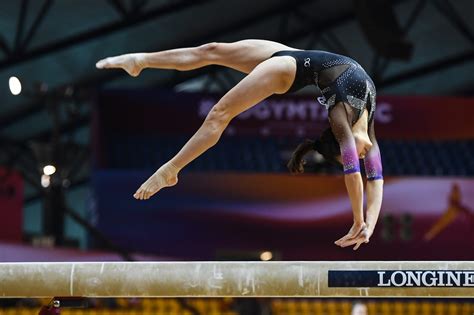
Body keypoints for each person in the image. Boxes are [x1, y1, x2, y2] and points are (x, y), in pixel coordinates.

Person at [96, 39, 384, 250]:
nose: (360, 157)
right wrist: (359, 221)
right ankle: (141, 60)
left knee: (219, 113)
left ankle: (170, 170)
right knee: (211, 50)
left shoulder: (350, 125)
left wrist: (368, 224)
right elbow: (355, 176)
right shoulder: (347, 124)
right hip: (291, 58)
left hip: (288, 67)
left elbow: (376, 180)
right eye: (354, 157)